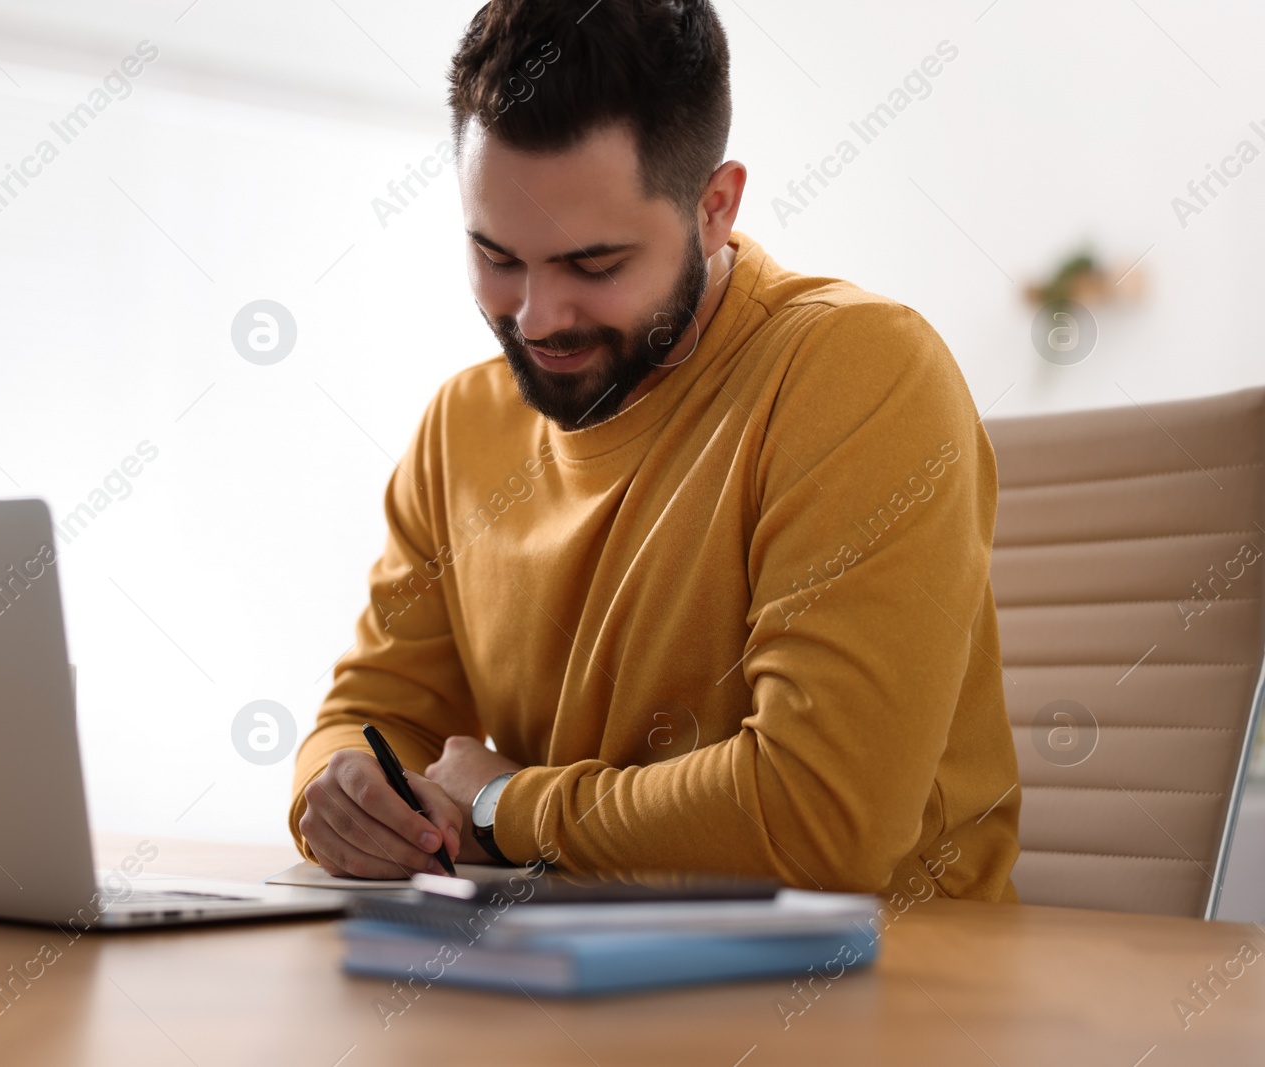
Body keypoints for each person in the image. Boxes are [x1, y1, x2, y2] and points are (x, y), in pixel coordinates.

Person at [290, 0, 1020, 903]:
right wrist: (338, 795)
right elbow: (373, 718)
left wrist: (498, 805)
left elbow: (820, 822)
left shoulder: (860, 370)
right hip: (563, 977)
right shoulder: (461, 427)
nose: (537, 316)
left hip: (872, 998)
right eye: (497, 255)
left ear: (714, 209)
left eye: (594, 267)